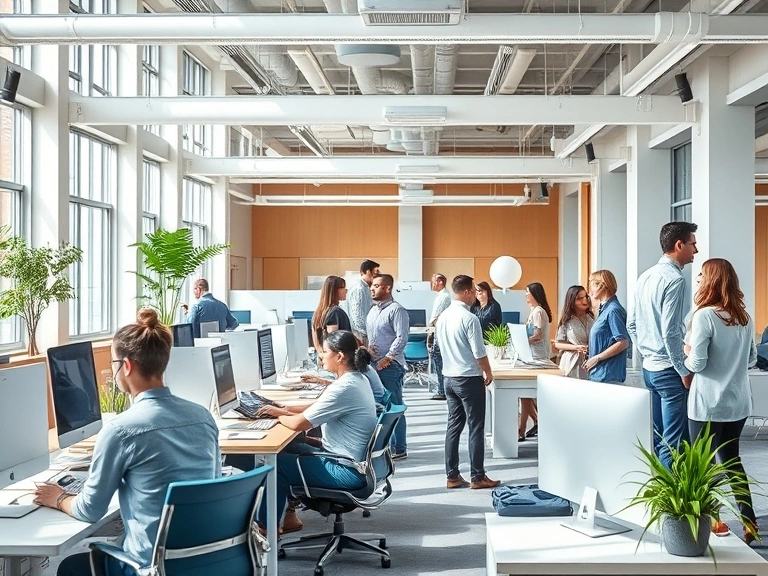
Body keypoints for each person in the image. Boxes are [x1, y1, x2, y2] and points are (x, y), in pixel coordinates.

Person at [34, 309, 220, 576]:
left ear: (127, 366)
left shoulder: (121, 430)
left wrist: (59, 497)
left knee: (71, 568)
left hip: (148, 566)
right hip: (204, 558)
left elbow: (89, 510)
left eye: (113, 363)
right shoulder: (203, 417)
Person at [256, 331, 377, 530]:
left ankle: (265, 531)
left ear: (339, 356)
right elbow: (317, 405)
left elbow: (297, 424)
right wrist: (283, 409)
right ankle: (288, 518)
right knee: (292, 446)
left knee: (274, 464)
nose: (321, 357)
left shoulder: (344, 387)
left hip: (347, 470)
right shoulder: (357, 379)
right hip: (351, 461)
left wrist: (277, 416)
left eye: (324, 353)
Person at [683, 258, 759, 544]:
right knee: (732, 462)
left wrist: (687, 349)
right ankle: (750, 522)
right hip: (737, 403)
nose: (699, 279)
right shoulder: (744, 317)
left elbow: (697, 363)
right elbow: (751, 359)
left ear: (713, 280)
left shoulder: (705, 316)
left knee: (702, 466)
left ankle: (714, 521)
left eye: (702, 275)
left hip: (707, 404)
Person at [628, 221, 698, 470]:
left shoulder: (645, 276)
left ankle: (660, 495)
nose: (695, 250)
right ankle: (673, 505)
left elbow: (632, 325)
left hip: (650, 370)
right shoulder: (675, 280)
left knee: (659, 439)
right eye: (692, 244)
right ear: (678, 245)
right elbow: (670, 333)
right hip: (669, 371)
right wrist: (682, 370)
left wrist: (646, 354)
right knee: (675, 442)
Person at [437, 275, 500, 490]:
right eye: (473, 290)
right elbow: (479, 352)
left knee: (453, 426)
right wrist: (488, 372)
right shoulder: (469, 318)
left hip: (449, 378)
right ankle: (478, 476)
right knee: (476, 428)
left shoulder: (443, 317)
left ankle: (452, 475)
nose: (475, 294)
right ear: (465, 292)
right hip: (469, 378)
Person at [366, 273, 410, 460]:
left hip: (390, 367)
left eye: (376, 285)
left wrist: (388, 358)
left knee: (394, 407)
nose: (372, 288)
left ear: (387, 288)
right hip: (373, 366)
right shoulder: (373, 310)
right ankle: (385, 446)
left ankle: (399, 448)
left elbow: (402, 337)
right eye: (372, 286)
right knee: (379, 407)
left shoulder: (396, 310)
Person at [519, 282, 553, 441]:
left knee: (526, 393)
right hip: (532, 356)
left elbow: (538, 335)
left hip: (538, 357)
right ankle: (526, 425)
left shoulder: (538, 311)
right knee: (524, 394)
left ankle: (524, 427)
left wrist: (523, 341)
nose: (526, 295)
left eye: (528, 293)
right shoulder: (534, 311)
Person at [584, 270, 630, 384]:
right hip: (599, 374)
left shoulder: (613, 310)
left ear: (603, 285)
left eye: (592, 285)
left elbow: (623, 342)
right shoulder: (604, 309)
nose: (589, 291)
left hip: (608, 375)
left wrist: (597, 358)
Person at [553, 285, 594, 379]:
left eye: (586, 297)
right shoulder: (566, 320)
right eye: (579, 298)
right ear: (572, 302)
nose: (585, 301)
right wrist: (576, 347)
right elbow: (558, 344)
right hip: (571, 362)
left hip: (590, 362)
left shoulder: (593, 317)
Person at [311, 275, 351, 356]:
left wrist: (322, 355)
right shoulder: (334, 312)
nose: (346, 290)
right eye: (343, 287)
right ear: (336, 290)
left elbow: (316, 342)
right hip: (337, 361)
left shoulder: (318, 313)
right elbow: (333, 341)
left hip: (324, 359)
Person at [428, 273, 452, 401]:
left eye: (434, 281)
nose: (432, 284)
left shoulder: (444, 297)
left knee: (439, 363)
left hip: (439, 334)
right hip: (438, 332)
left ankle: (442, 390)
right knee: (439, 363)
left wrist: (429, 329)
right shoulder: (442, 296)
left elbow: (436, 317)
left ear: (441, 282)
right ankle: (442, 389)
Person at [346, 259, 379, 345]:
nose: (377, 276)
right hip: (361, 337)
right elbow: (358, 317)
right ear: (368, 272)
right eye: (375, 272)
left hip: (365, 335)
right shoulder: (359, 290)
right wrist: (366, 335)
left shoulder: (366, 289)